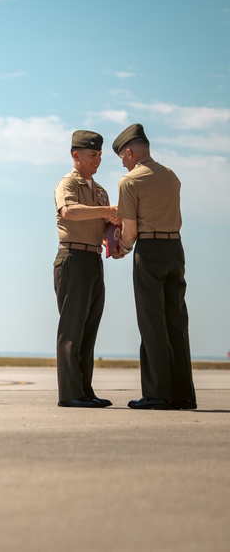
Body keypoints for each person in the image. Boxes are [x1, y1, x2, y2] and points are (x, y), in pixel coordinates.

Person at [112, 124, 196, 410]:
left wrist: (121, 248)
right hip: (176, 249)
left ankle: (157, 394)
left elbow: (130, 232)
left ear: (130, 152)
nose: (123, 163)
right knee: (176, 322)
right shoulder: (171, 176)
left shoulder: (130, 182)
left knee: (151, 323)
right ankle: (183, 395)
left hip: (150, 251)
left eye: (122, 157)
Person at [53, 130, 119, 408]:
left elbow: (107, 227)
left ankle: (84, 390)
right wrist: (106, 212)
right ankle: (70, 394)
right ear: (75, 155)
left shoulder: (100, 191)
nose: (97, 160)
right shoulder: (67, 184)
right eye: (92, 155)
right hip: (73, 259)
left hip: (93, 261)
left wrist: (118, 239)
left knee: (89, 330)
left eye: (100, 155)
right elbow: (68, 211)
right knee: (72, 330)